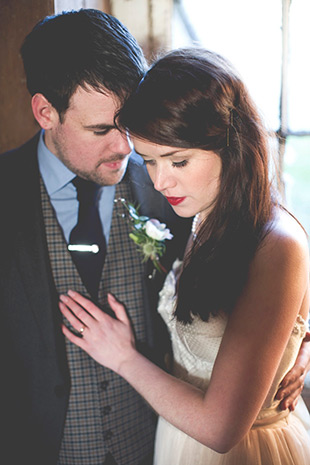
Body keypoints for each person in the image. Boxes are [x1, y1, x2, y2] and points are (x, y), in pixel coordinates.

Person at [59, 47, 310, 464]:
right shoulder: (203, 212)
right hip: (176, 440)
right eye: (150, 161)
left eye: (179, 160)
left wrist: (123, 357)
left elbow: (220, 429)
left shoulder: (275, 243)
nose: (159, 181)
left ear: (233, 144)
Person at [0, 9, 191, 465]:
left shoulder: (171, 188)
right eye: (102, 129)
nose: (125, 145)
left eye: (129, 123)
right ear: (46, 112)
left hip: (156, 450)